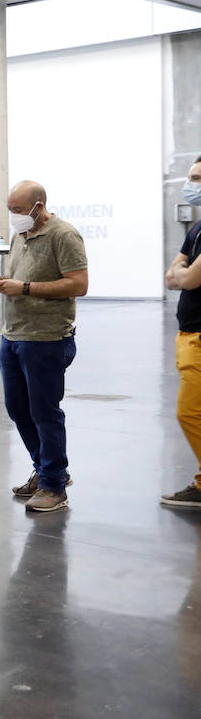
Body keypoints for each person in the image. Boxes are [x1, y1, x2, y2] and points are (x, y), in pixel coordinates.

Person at [0, 180, 89, 513]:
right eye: (10, 211)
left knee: (44, 411)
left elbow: (79, 284)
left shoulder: (64, 235)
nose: (14, 217)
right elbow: (20, 280)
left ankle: (54, 485)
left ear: (38, 206)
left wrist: (26, 288)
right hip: (14, 335)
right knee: (17, 408)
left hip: (46, 338)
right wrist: (2, 284)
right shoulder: (22, 235)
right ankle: (45, 468)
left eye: (18, 211)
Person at [162, 156, 201, 509]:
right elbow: (171, 273)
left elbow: (186, 278)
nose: (192, 184)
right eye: (191, 177)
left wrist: (182, 273)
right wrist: (181, 273)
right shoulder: (197, 227)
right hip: (187, 334)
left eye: (198, 178)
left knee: (188, 413)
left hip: (200, 337)